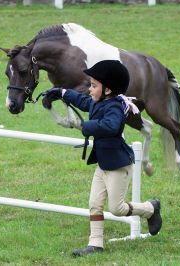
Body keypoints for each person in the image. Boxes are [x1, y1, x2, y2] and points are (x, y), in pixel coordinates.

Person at [42, 60, 162, 257]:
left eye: (94, 85)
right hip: (103, 165)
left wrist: (86, 127)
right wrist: (61, 92)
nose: (90, 89)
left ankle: (150, 209)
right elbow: (82, 101)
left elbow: (111, 127)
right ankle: (95, 244)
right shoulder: (98, 102)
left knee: (117, 208)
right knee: (94, 203)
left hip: (118, 166)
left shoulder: (114, 108)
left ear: (107, 90)